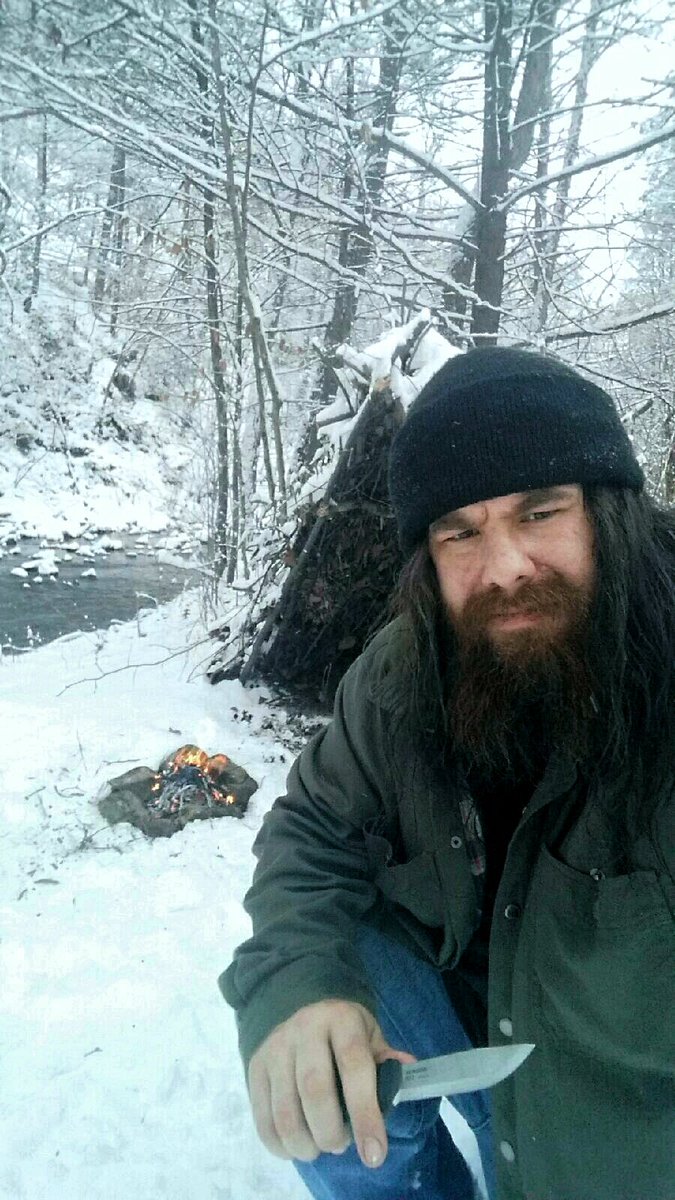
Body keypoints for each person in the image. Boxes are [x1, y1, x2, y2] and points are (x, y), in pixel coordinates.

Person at [220, 347, 675, 1200]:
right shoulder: (406, 670)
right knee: (331, 1072)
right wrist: (298, 990)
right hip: (459, 1005)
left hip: (603, 1115)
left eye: (539, 512)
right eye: (459, 532)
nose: (502, 567)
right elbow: (313, 827)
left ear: (610, 512)